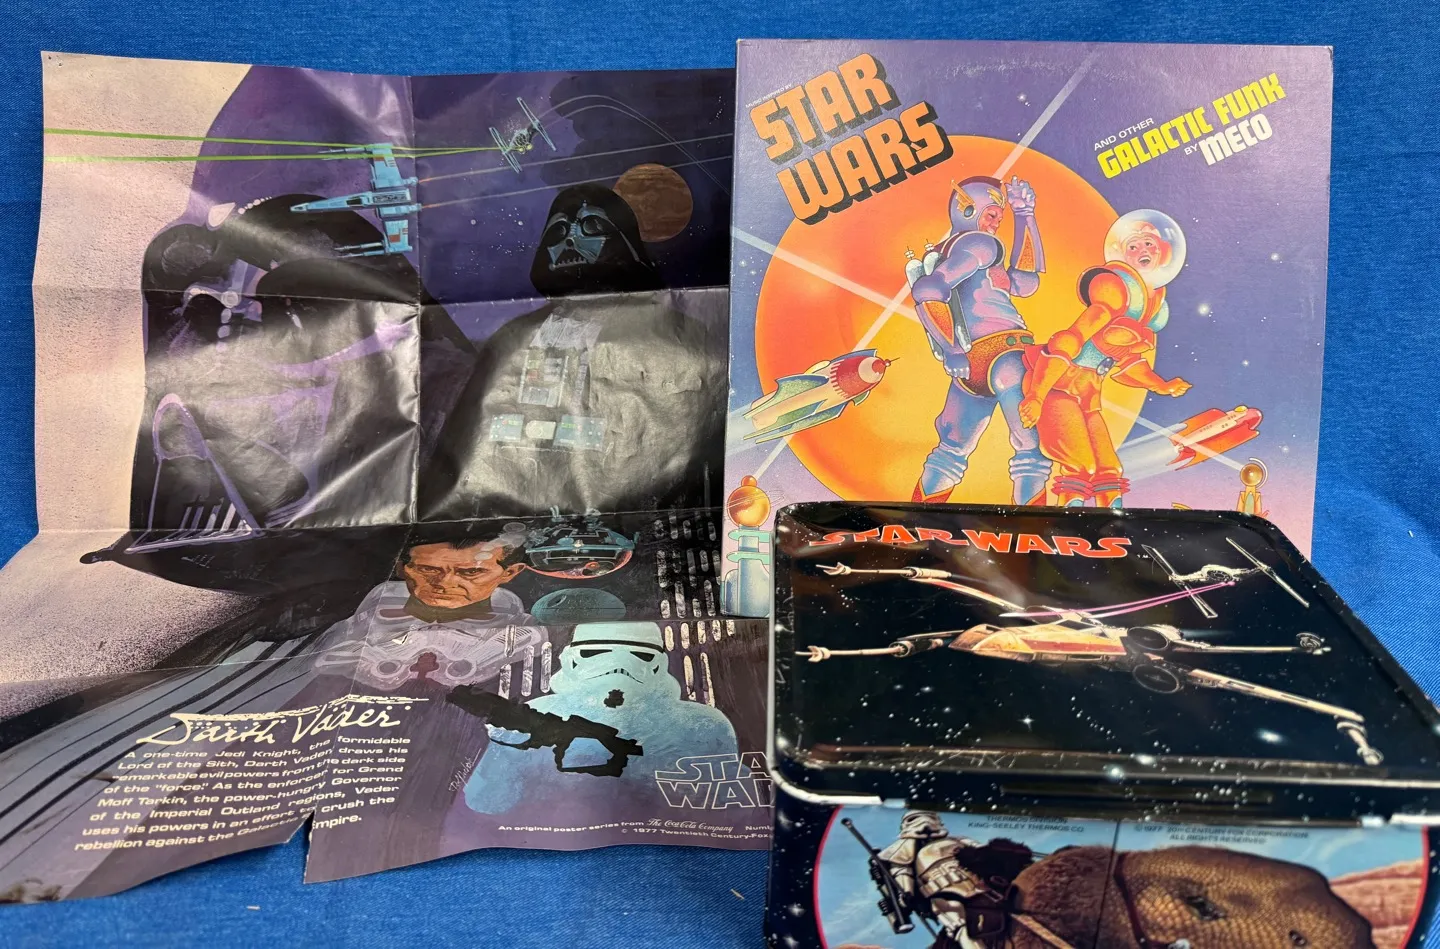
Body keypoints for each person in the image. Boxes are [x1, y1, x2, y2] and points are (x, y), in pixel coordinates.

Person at [1019, 209, 1191, 508]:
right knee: (1081, 464)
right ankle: (1070, 517)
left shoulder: (1147, 308)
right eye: (1133, 245)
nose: (1142, 250)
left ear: (1163, 252)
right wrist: (1037, 395)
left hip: (1088, 394)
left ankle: (1110, 519)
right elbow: (1068, 341)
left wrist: (1160, 385)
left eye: (1149, 244)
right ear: (1122, 253)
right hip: (1057, 385)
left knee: (1109, 470)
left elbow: (1129, 363)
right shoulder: (1113, 293)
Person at [907, 175, 1049, 505]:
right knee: (1031, 447)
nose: (997, 222)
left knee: (950, 450)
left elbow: (1024, 282)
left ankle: (918, 522)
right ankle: (1035, 527)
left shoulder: (956, 250)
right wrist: (951, 348)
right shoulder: (982, 245)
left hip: (972, 368)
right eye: (992, 214)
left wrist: (1025, 215)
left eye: (1000, 216)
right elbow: (929, 289)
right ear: (967, 209)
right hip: (1006, 353)